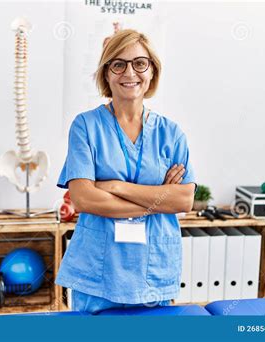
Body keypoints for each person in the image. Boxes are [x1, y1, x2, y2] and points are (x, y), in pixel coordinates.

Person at [56, 29, 197, 314]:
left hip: (152, 269)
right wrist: (158, 199)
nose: (129, 72)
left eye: (139, 63)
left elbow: (183, 201)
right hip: (97, 271)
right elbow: (84, 200)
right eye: (118, 64)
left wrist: (114, 187)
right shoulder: (85, 126)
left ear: (152, 72)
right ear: (106, 73)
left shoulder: (171, 134)